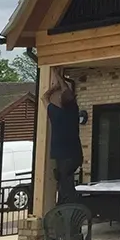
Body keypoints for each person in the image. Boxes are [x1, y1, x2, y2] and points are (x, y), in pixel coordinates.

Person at [42, 72, 83, 206]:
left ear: (61, 102)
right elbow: (67, 90)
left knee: (64, 184)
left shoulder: (57, 114)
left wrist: (53, 88)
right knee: (67, 182)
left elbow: (44, 98)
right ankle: (69, 204)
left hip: (63, 157)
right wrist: (59, 77)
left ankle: (66, 208)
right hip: (76, 155)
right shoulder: (74, 111)